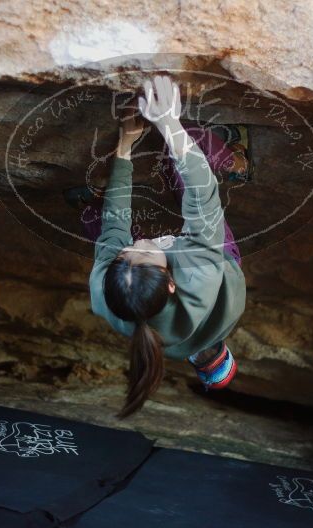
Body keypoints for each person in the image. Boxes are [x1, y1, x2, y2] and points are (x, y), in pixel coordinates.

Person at [87, 75, 247, 418]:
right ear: (172, 282)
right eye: (145, 250)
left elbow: (115, 225)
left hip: (167, 267)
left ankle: (91, 208)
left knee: (104, 226)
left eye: (126, 253)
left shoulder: (105, 294)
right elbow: (202, 195)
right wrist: (168, 122)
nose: (139, 242)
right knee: (186, 149)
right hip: (217, 263)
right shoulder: (200, 279)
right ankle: (236, 162)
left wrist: (125, 146)